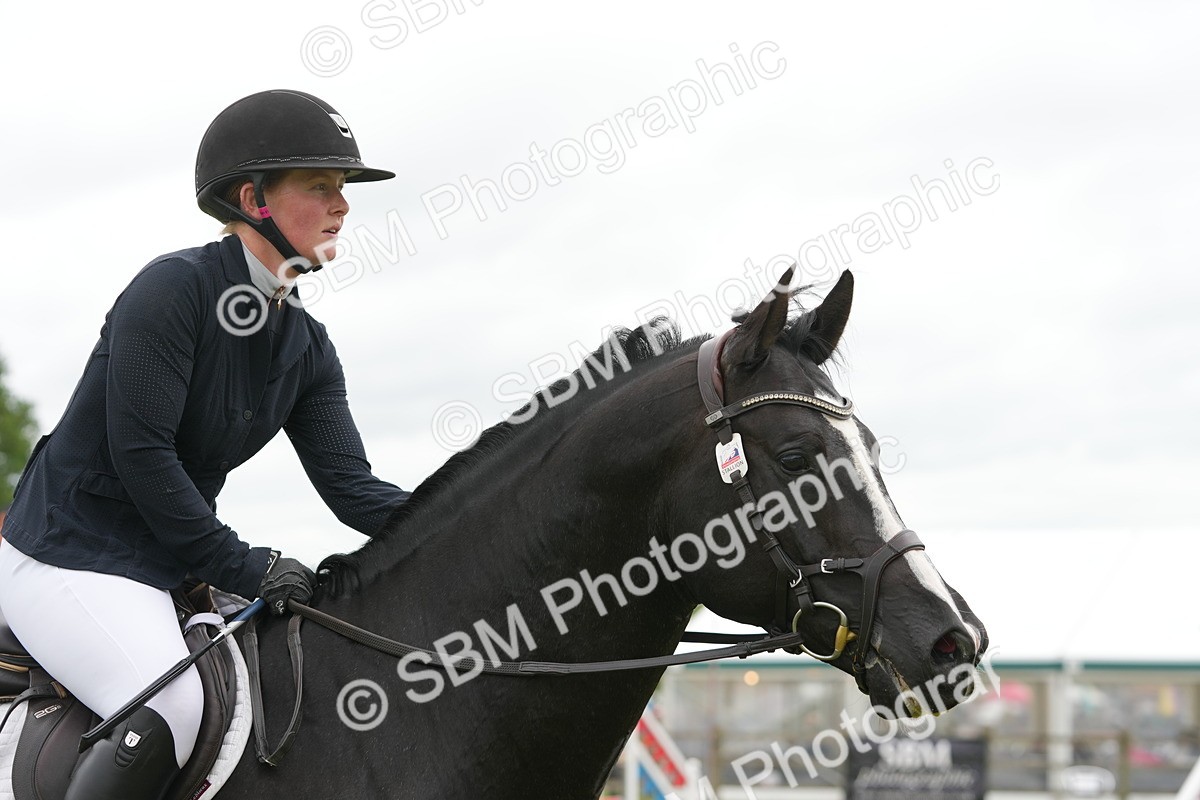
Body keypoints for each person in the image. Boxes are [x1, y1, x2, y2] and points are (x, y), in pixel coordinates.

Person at [0, 90, 409, 800]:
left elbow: (353, 490)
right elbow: (143, 457)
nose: (342, 205)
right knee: (175, 704)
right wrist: (247, 565)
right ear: (254, 199)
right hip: (68, 553)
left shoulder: (307, 347)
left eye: (343, 190)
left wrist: (472, 513)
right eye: (321, 187)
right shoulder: (172, 291)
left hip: (163, 568)